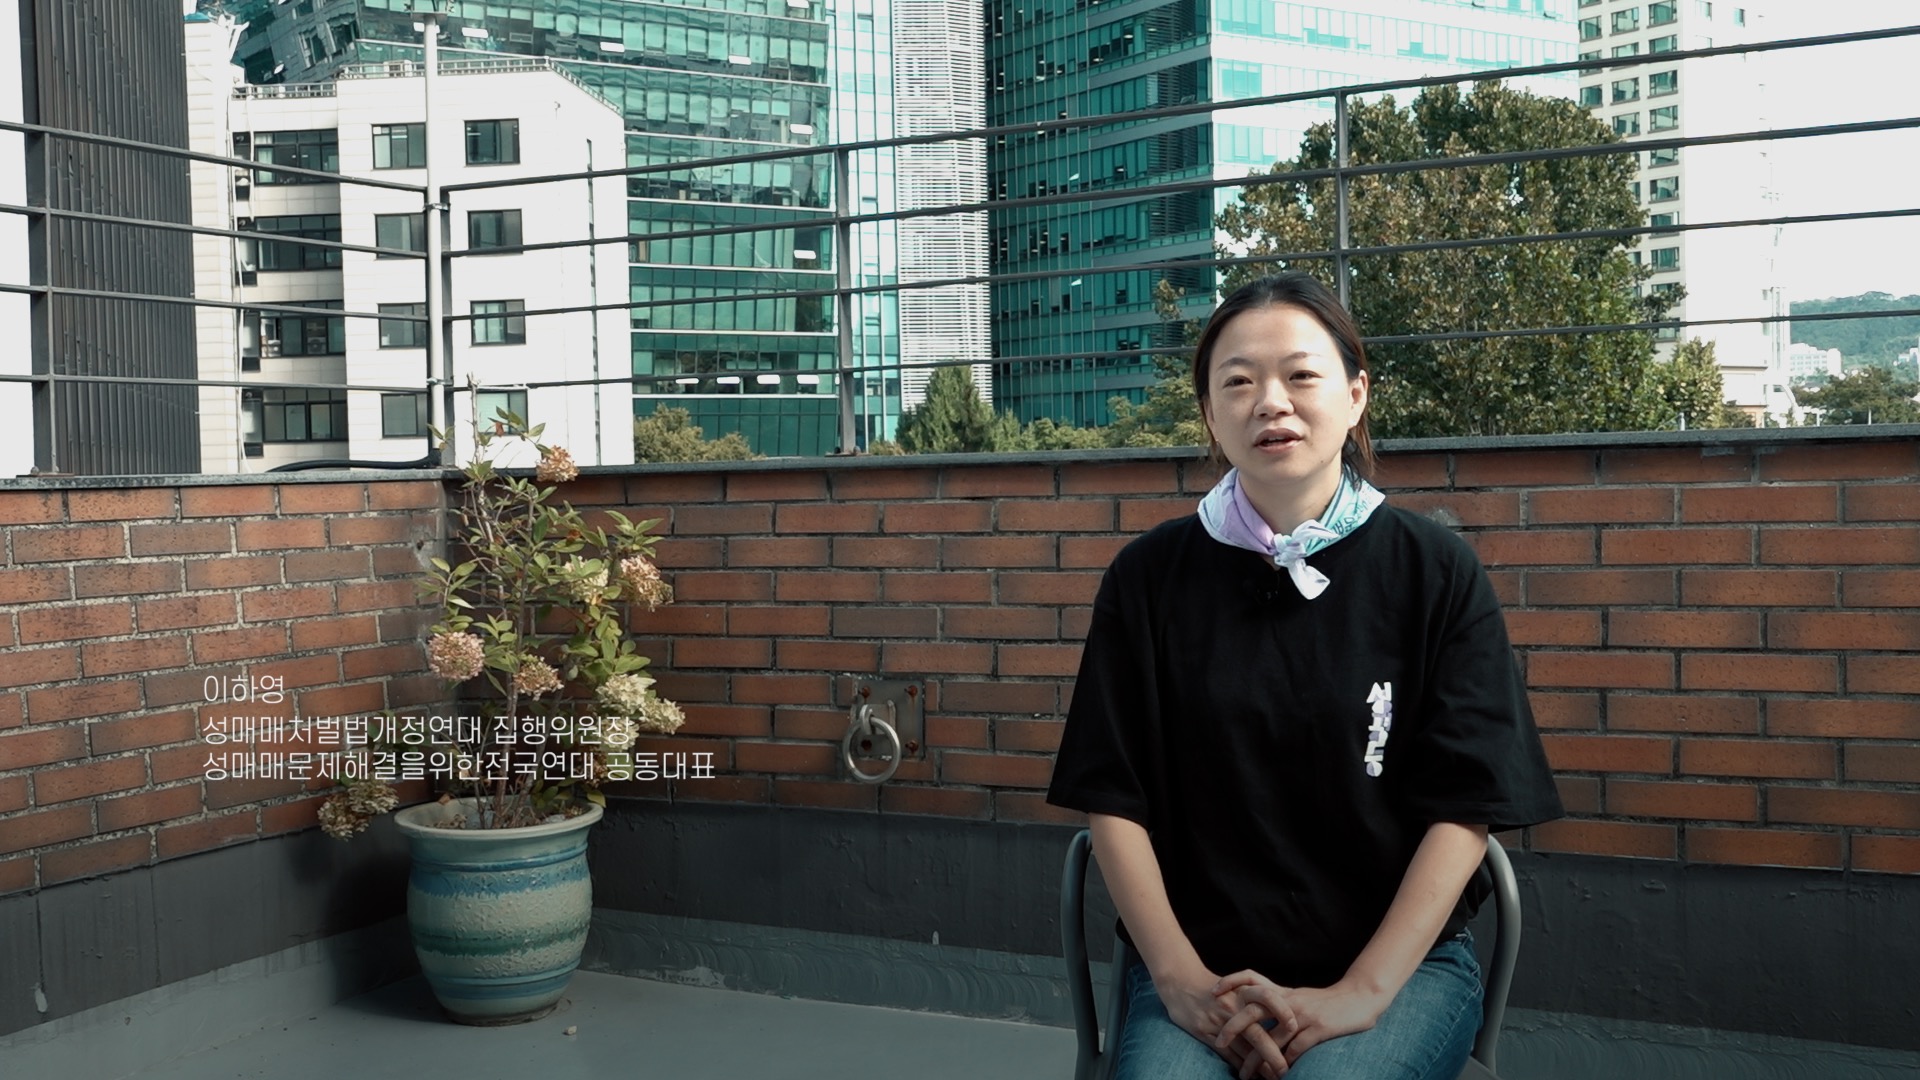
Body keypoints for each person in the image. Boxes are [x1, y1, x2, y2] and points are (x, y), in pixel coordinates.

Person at [1046, 272, 1563, 1080]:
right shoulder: (1148, 579)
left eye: (1300, 374)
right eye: (1238, 383)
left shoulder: (1434, 573)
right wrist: (1181, 983)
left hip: (1398, 971)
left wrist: (1361, 991)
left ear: (1356, 396)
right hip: (1200, 966)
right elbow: (1113, 798)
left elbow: (1466, 808)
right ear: (1209, 413)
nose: (1270, 402)